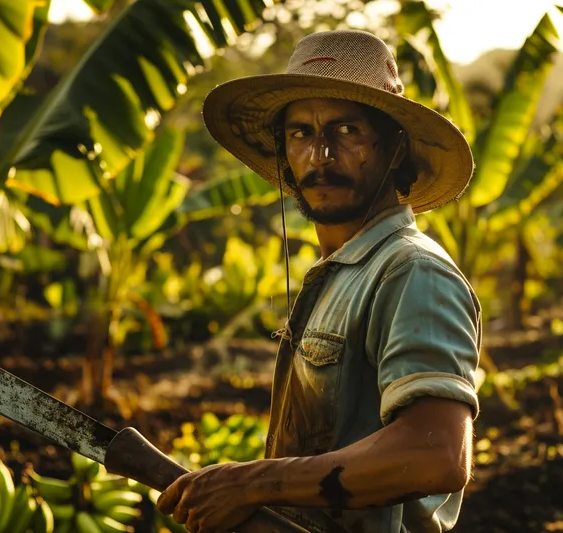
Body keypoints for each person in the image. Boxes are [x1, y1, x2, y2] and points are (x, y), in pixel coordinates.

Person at [157, 29, 481, 533]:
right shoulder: (339, 275)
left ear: (395, 148)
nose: (320, 156)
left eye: (346, 131)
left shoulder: (410, 270)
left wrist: (252, 483)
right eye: (301, 134)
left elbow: (434, 453)